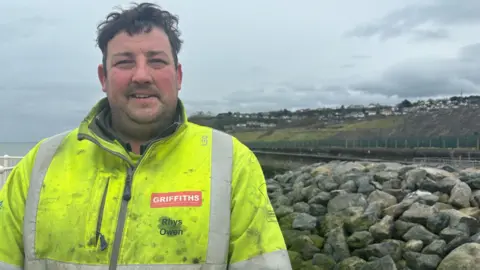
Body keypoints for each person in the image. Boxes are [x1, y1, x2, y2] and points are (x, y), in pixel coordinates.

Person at [0, 2, 292, 270]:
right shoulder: (39, 164)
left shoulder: (232, 163)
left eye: (156, 61)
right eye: (125, 62)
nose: (141, 75)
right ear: (103, 78)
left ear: (178, 76)